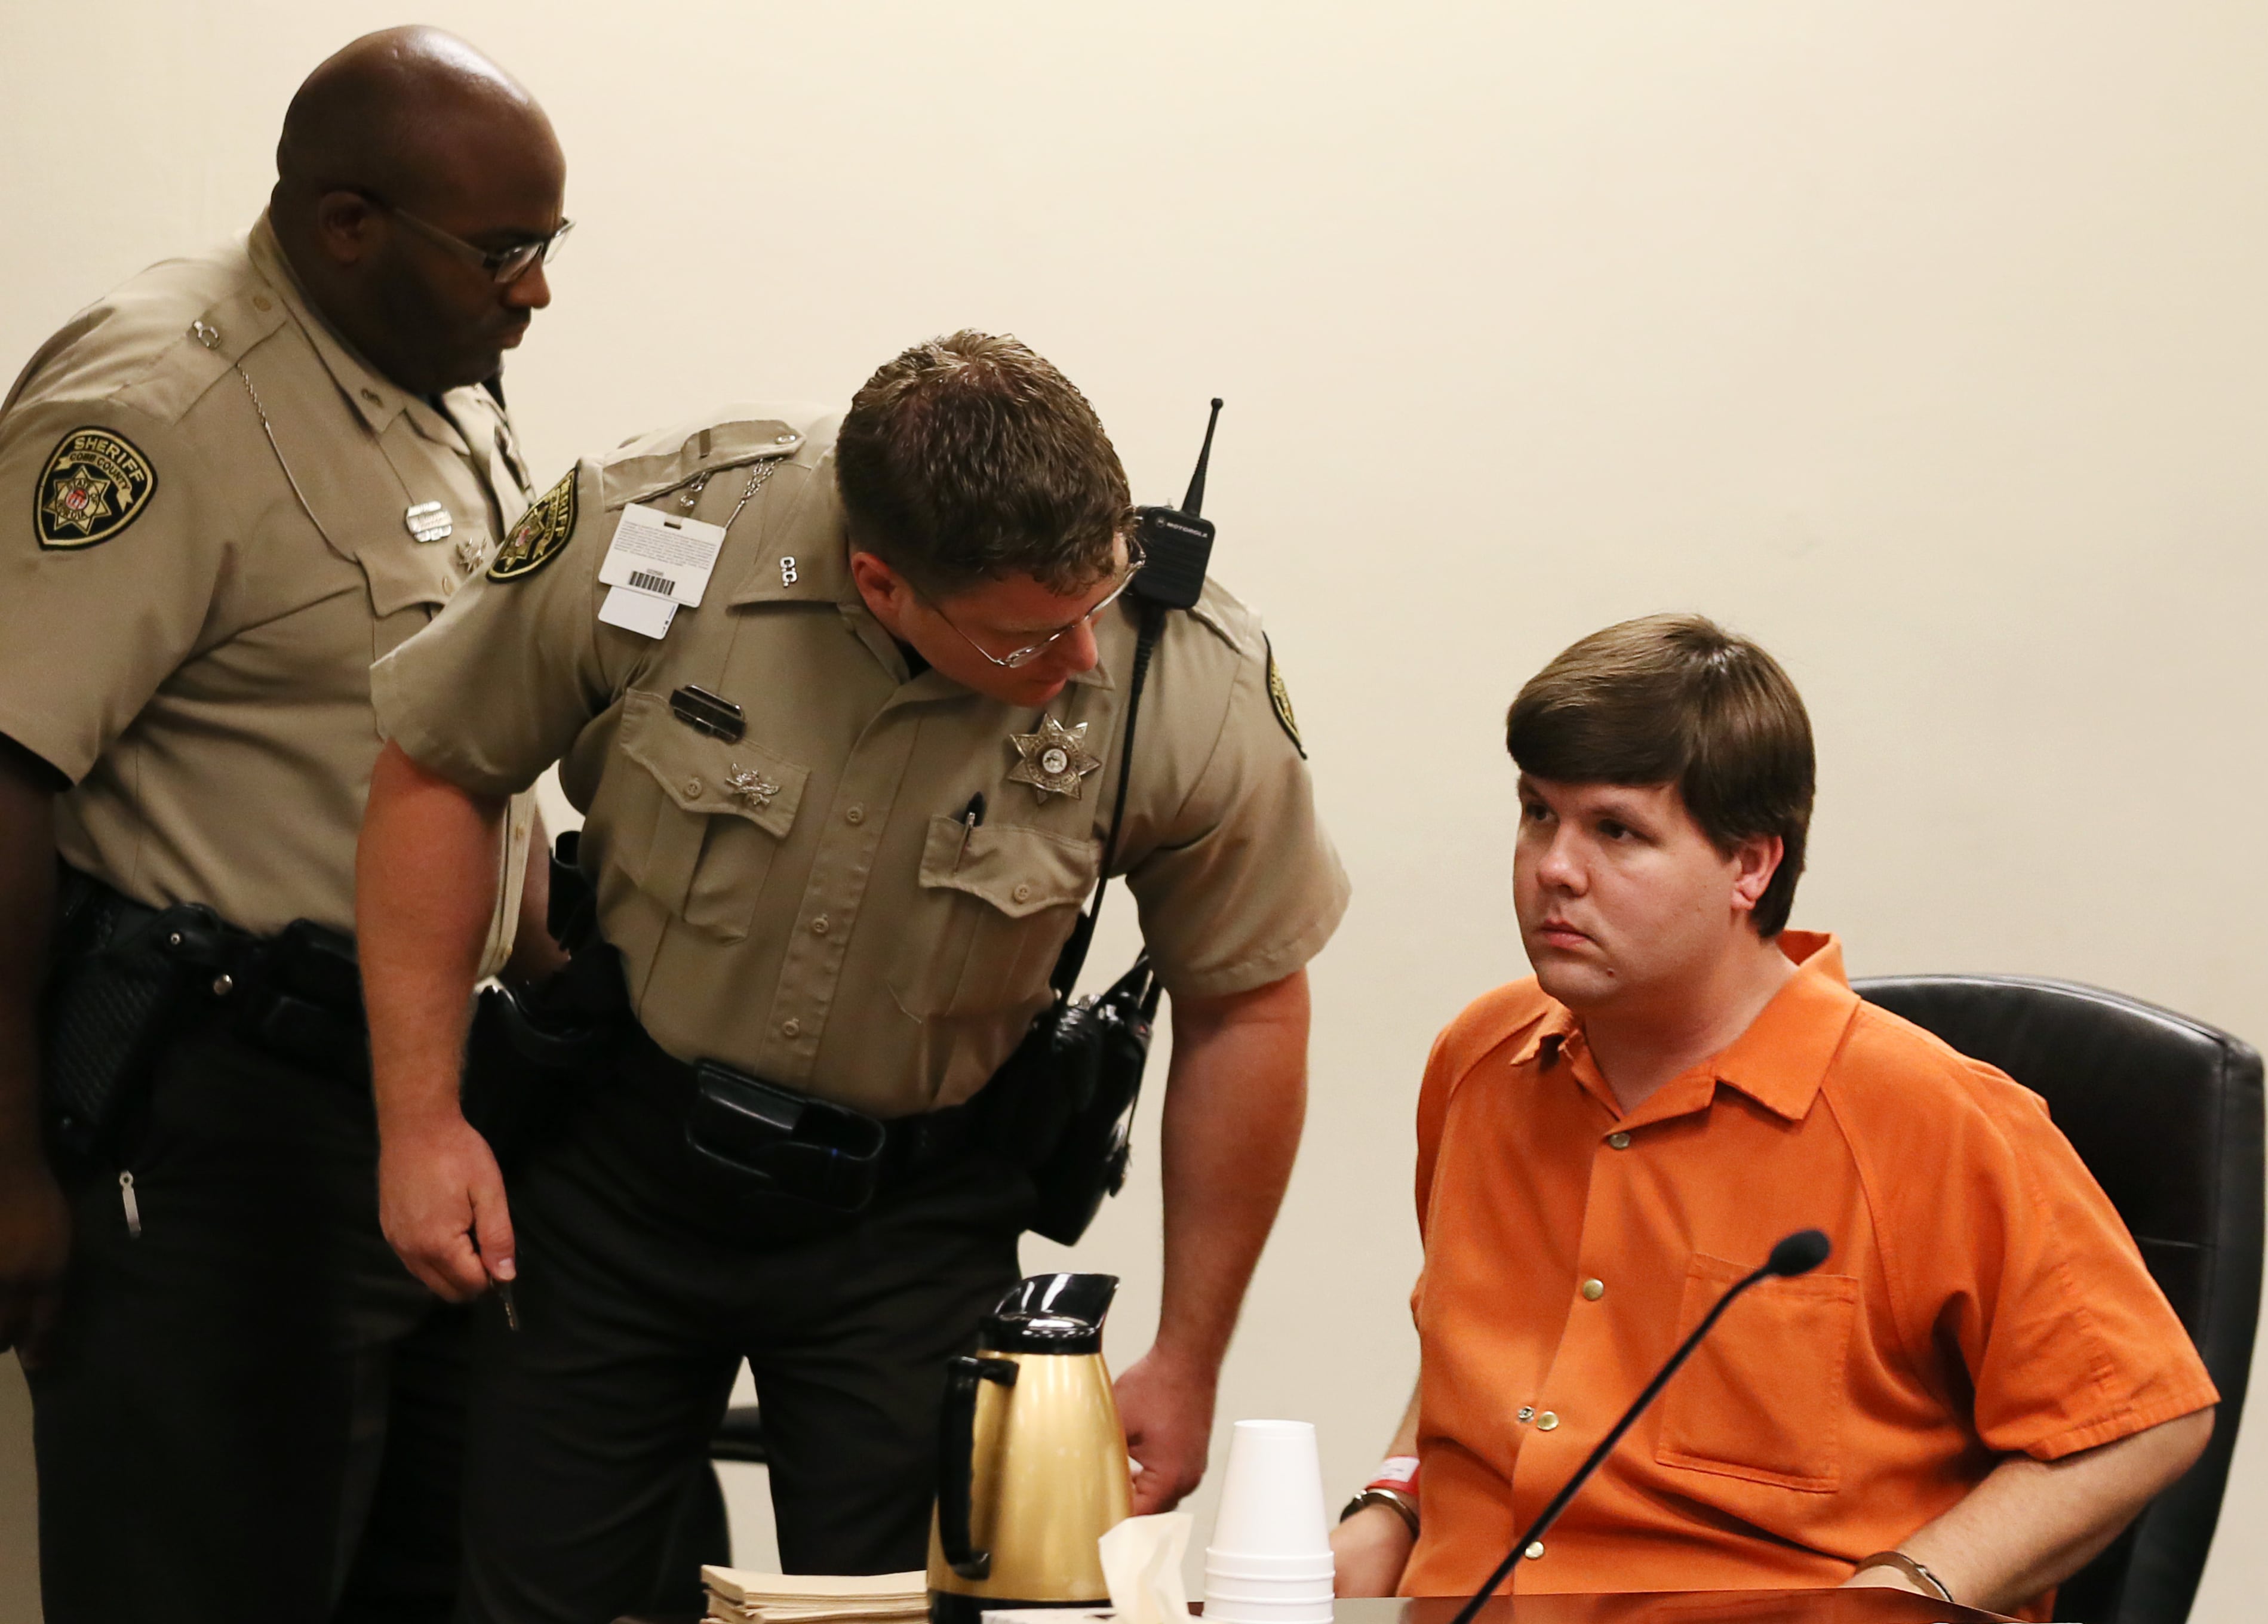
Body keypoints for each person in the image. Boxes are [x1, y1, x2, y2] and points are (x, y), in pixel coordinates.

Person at [355, 331, 1350, 1622]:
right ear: (882, 585)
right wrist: (421, 1121)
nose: (1085, 660)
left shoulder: (1184, 672)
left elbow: (1249, 998)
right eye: (1034, 636)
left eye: (1098, 598)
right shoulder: (660, 530)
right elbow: (442, 763)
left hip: (914, 1218)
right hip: (613, 1174)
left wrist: (1188, 1355)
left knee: (907, 1608)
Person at [0, 27, 569, 1624]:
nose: (534, 293)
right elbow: (5, 767)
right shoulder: (162, 406)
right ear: (347, 225)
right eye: (506, 254)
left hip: (413, 1114)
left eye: (549, 249)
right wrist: (3, 1174)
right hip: (217, 1122)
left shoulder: (427, 380)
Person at [1329, 615, 2217, 1619]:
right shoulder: (1479, 1062)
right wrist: (1393, 1500)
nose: (1554, 869)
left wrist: (1909, 1587)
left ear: (1749, 867)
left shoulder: (1931, 1117)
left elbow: (2142, 1421)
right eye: (1539, 814)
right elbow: (1480, 1355)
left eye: (1615, 831)